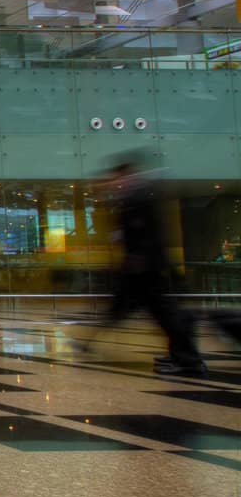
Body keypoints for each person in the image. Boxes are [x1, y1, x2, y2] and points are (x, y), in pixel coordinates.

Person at [87, 157, 207, 377]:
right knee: (156, 312)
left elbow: (148, 233)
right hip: (143, 268)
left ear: (124, 175)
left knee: (165, 314)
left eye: (115, 178)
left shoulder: (140, 197)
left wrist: (139, 258)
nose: (112, 183)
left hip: (146, 268)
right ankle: (181, 355)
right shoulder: (136, 196)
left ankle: (188, 359)